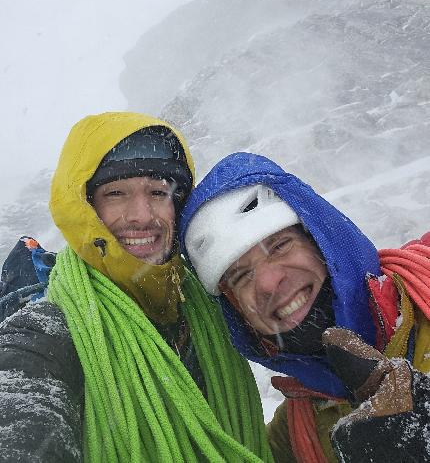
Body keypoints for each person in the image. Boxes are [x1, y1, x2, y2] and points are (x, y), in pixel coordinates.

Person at [0, 113, 274, 463]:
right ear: (84, 208)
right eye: (116, 194)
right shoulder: (45, 333)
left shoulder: (210, 302)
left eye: (158, 193)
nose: (143, 215)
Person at [179, 151, 430, 463]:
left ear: (321, 240)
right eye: (241, 276)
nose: (269, 283)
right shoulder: (292, 435)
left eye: (281, 245)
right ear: (239, 314)